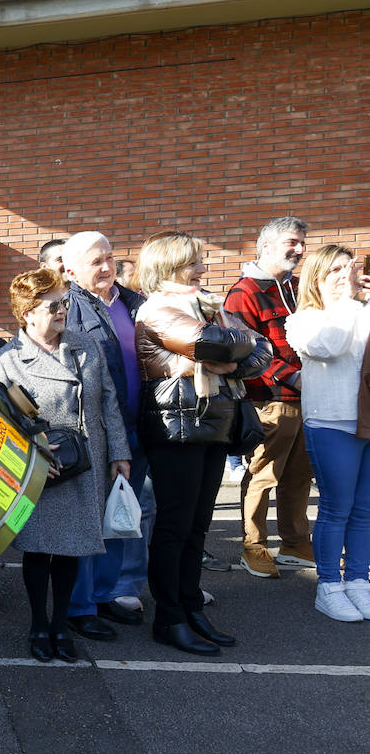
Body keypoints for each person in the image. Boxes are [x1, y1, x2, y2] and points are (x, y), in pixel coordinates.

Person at [136, 231, 271, 655]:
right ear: (168, 266)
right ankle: (169, 617)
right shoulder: (157, 308)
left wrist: (226, 358)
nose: (202, 269)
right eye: (193, 262)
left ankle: (191, 607)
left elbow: (261, 351)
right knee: (175, 527)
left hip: (212, 424)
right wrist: (228, 353)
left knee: (197, 526)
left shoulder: (205, 307)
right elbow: (212, 342)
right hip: (176, 428)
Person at [0, 268, 130, 662]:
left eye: (64, 302)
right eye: (53, 305)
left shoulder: (85, 346)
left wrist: (120, 453)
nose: (62, 310)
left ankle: (60, 625)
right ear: (27, 312)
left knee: (72, 550)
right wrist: (32, 456)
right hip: (41, 468)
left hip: (87, 460)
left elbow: (107, 403)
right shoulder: (5, 363)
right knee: (38, 549)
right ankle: (37, 623)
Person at [60, 230, 151, 638]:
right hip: (95, 432)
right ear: (71, 269)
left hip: (138, 427)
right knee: (89, 521)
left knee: (121, 514)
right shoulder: (70, 308)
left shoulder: (134, 304)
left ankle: (107, 593)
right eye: (95, 261)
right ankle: (81, 604)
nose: (105, 266)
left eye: (110, 258)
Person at [223, 216, 314, 579]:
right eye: (293, 242)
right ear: (266, 245)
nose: (300, 250)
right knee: (264, 474)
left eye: (302, 243)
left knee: (300, 475)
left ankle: (294, 542)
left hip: (307, 397)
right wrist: (293, 376)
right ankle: (254, 544)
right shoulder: (243, 292)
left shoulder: (299, 287)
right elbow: (247, 350)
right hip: (269, 399)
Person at [285, 245, 370, 621]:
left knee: (365, 511)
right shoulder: (304, 320)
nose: (341, 276)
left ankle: (358, 581)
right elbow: (331, 347)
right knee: (337, 508)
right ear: (315, 278)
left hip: (366, 422)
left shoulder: (359, 309)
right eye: (333, 270)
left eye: (347, 268)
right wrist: (351, 301)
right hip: (330, 422)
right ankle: (328, 586)